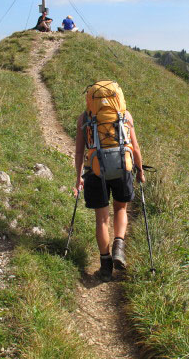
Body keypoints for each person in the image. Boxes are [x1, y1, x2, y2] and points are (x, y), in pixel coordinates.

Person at [74, 83, 145, 282]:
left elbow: (80, 151)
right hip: (123, 167)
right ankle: (119, 247)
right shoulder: (125, 116)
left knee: (102, 219)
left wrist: (78, 176)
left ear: (90, 100)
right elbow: (135, 147)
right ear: (118, 98)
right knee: (121, 209)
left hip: (95, 170)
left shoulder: (85, 118)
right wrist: (140, 171)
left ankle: (105, 266)